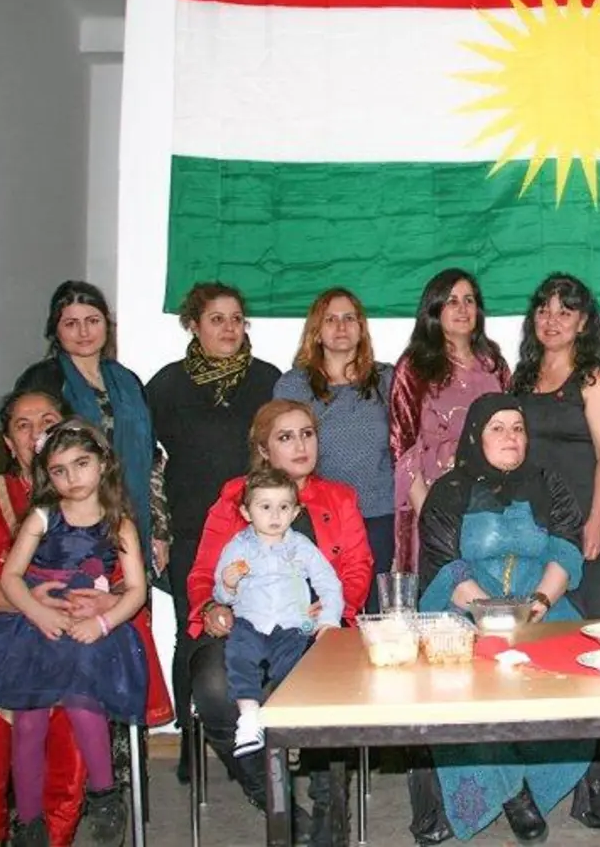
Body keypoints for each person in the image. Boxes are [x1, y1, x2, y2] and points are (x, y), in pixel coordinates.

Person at [0, 390, 172, 847]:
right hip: (17, 634)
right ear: (11, 442)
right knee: (10, 722)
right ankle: (15, 829)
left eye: (48, 419)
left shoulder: (115, 518)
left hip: (85, 631)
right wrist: (34, 606)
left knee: (80, 708)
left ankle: (81, 813)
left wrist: (101, 610)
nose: (37, 430)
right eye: (23, 424)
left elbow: (131, 586)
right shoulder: (5, 503)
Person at [183, 400, 372, 839]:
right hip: (245, 622)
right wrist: (214, 608)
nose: (301, 445)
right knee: (213, 689)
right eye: (286, 437)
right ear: (264, 450)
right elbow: (203, 572)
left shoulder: (339, 497)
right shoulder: (234, 497)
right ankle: (272, 798)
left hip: (314, 627)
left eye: (307, 433)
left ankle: (330, 813)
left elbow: (356, 568)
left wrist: (331, 614)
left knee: (329, 689)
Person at [415, 395, 591, 844]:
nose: (511, 436)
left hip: (541, 606)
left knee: (579, 678)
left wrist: (538, 604)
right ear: (476, 435)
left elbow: (565, 549)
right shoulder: (449, 490)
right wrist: (489, 613)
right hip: (464, 609)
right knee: (459, 690)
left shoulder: (549, 484)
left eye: (518, 427)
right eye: (498, 427)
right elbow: (444, 563)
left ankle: (537, 778)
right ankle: (513, 792)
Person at [145, 281, 282, 777]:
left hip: (259, 530)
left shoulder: (269, 379)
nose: (229, 327)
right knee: (194, 633)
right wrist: (157, 528)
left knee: (264, 630)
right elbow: (147, 460)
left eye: (236, 318)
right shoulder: (166, 386)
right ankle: (191, 737)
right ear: (194, 324)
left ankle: (258, 734)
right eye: (217, 318)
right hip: (191, 530)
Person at [16, 281, 163, 576]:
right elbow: (28, 457)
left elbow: (151, 459)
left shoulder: (127, 381)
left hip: (131, 518)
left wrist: (158, 530)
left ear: (107, 325)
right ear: (55, 329)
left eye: (92, 321)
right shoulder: (43, 380)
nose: (83, 332)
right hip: (70, 527)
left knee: (127, 606)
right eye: (71, 323)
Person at [275, 288, 396, 610]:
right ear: (316, 331)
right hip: (317, 516)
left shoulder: (388, 379)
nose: (341, 327)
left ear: (361, 327)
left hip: (377, 514)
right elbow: (280, 452)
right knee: (317, 611)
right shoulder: (293, 385)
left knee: (372, 613)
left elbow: (406, 444)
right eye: (331, 319)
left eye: (349, 318)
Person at [213, 468, 344, 757]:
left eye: (283, 507)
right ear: (247, 512)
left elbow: (329, 582)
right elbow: (219, 595)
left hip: (291, 625)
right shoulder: (237, 547)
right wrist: (228, 583)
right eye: (265, 507)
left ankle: (288, 726)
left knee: (293, 668)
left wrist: (328, 621)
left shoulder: (301, 547)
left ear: (295, 512)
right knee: (238, 656)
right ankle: (249, 717)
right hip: (250, 622)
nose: (275, 516)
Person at [512, 273, 600, 620]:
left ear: (583, 322)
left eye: (564, 312)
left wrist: (596, 521)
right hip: (534, 521)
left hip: (583, 516)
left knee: (590, 625)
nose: (551, 321)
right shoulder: (521, 378)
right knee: (534, 623)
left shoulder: (594, 379)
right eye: (544, 311)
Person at [389, 269, 511, 575]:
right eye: (452, 301)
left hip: (491, 506)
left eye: (469, 300)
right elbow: (402, 447)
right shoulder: (414, 367)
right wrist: (432, 514)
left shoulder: (493, 364)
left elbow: (513, 435)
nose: (463, 308)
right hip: (431, 499)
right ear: (434, 309)